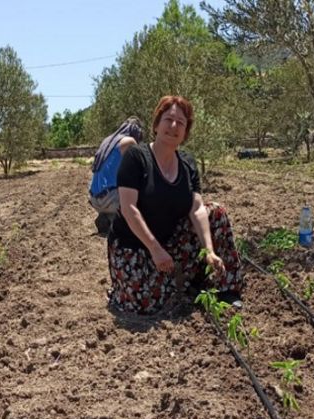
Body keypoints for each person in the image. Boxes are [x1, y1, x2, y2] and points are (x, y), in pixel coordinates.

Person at [107, 95, 244, 315]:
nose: (173, 126)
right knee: (149, 304)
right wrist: (155, 249)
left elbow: (197, 208)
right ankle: (166, 282)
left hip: (169, 240)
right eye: (168, 119)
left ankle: (225, 287)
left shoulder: (188, 163)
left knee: (215, 212)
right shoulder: (136, 157)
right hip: (134, 245)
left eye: (180, 122)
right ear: (156, 124)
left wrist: (209, 250)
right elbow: (128, 207)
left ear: (186, 131)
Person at [89, 117, 143, 235]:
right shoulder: (129, 142)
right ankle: (117, 219)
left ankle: (108, 217)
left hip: (94, 199)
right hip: (111, 199)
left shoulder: (107, 141)